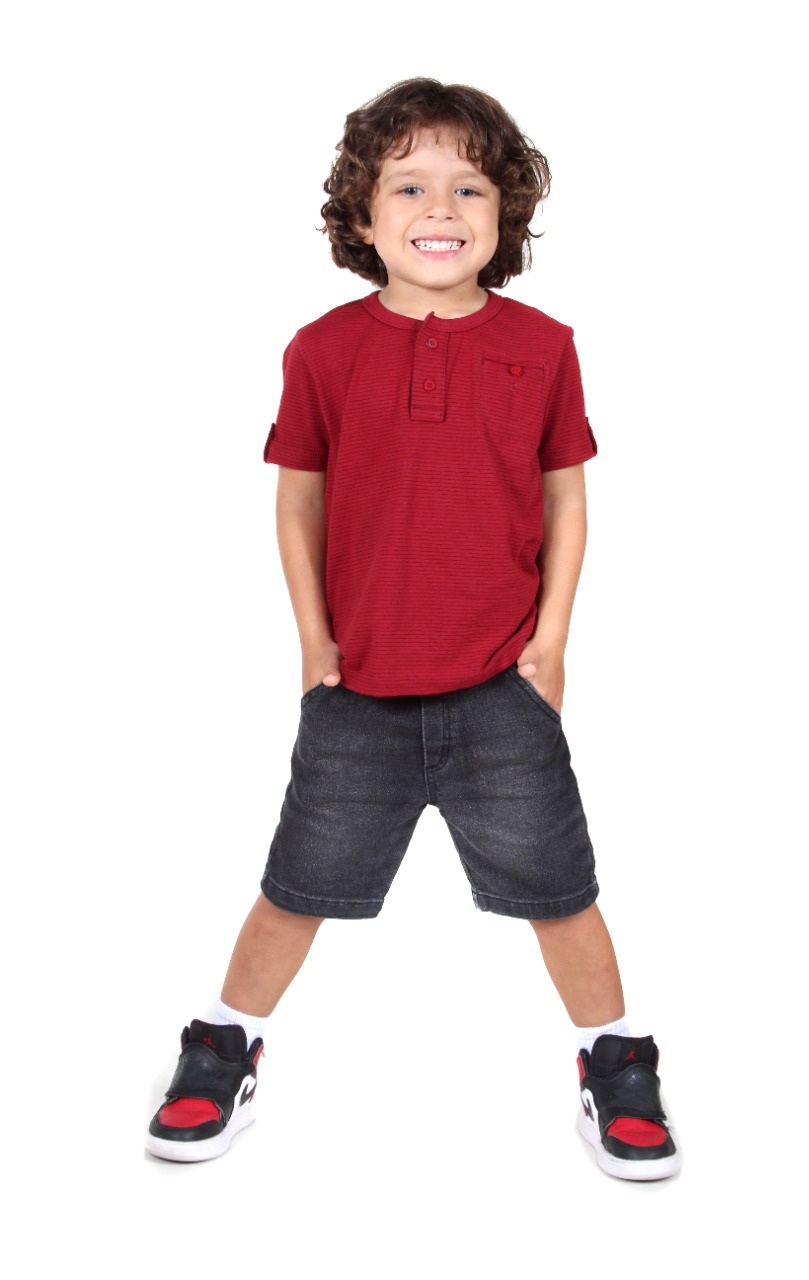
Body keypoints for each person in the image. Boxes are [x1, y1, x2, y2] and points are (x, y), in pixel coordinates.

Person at [146, 77, 681, 1181]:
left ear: (504, 212)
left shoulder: (544, 344)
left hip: (499, 688)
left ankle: (615, 1058)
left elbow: (565, 497)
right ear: (361, 213)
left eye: (469, 186)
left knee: (562, 891)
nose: (441, 207)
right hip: (359, 691)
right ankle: (224, 1043)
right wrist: (313, 643)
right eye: (409, 185)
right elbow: (298, 498)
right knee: (295, 886)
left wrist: (551, 646)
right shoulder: (321, 349)